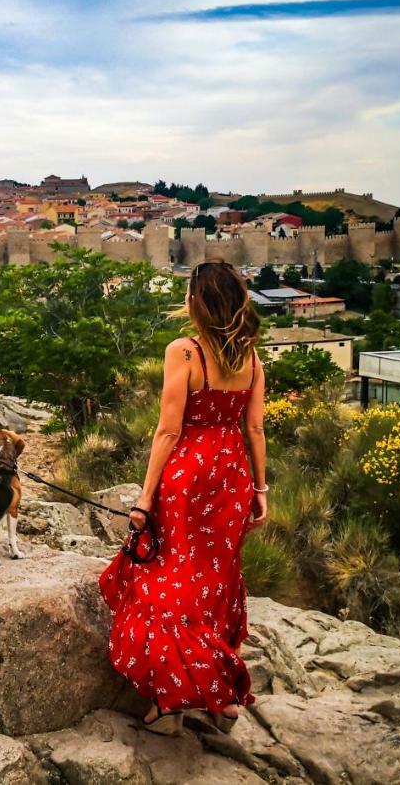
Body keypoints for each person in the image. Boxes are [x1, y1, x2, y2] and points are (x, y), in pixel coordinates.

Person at [99, 259, 269, 737]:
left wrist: (144, 499)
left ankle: (170, 703)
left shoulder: (185, 352)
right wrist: (260, 490)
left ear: (197, 303)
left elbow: (168, 430)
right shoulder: (251, 357)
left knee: (171, 580)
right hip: (232, 476)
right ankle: (221, 700)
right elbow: (253, 428)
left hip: (188, 476)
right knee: (215, 580)